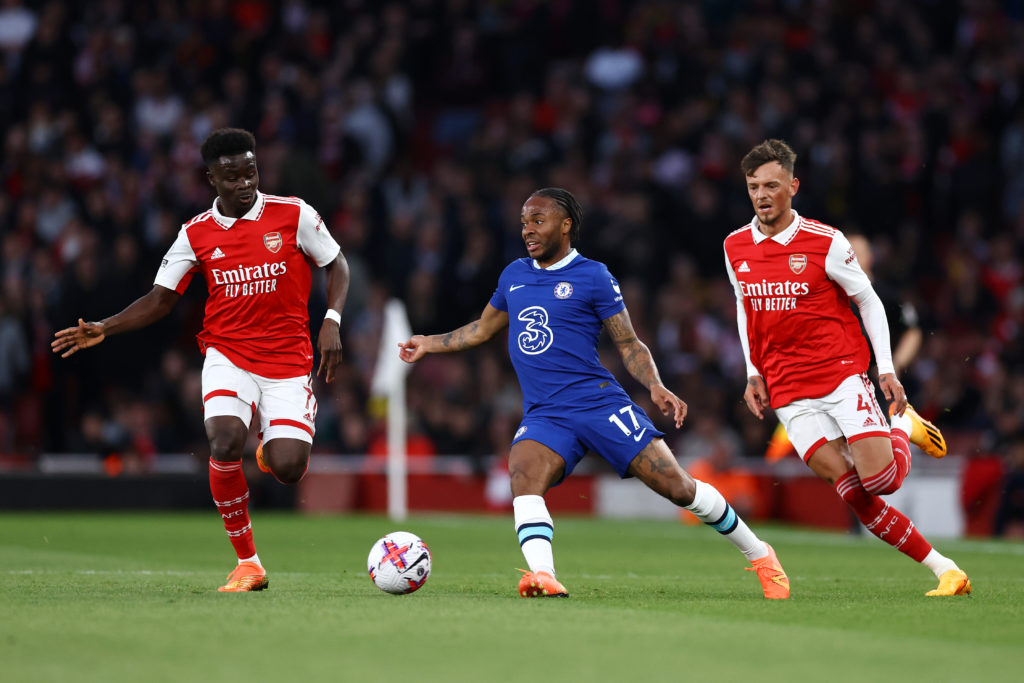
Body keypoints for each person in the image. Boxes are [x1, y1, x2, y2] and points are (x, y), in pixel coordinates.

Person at [399, 187, 790, 599]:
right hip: (545, 413)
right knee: (523, 475)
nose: (528, 230)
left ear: (566, 226)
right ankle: (543, 575)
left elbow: (628, 343)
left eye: (538, 221)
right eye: (523, 223)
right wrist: (430, 342)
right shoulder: (514, 275)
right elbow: (481, 329)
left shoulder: (593, 276)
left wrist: (654, 385)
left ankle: (761, 554)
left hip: (597, 403)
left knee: (678, 487)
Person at [52, 128, 350, 592]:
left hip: (289, 361)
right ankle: (248, 563)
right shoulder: (195, 234)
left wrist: (331, 319)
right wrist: (105, 327)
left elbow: (336, 263)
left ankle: (270, 448)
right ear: (211, 178)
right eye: (231, 176)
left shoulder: (293, 215)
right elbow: (160, 299)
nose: (244, 183)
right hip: (227, 354)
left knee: (289, 467)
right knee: (224, 439)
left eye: (250, 172)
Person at [724, 139, 969, 596]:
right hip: (786, 390)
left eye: (771, 185)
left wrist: (887, 370)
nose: (761, 195)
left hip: (839, 375)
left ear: (792, 187)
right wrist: (752, 371)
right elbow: (744, 307)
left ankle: (901, 422)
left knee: (884, 480)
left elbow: (869, 301)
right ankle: (946, 570)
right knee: (851, 490)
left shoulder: (825, 242)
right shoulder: (735, 245)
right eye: (754, 186)